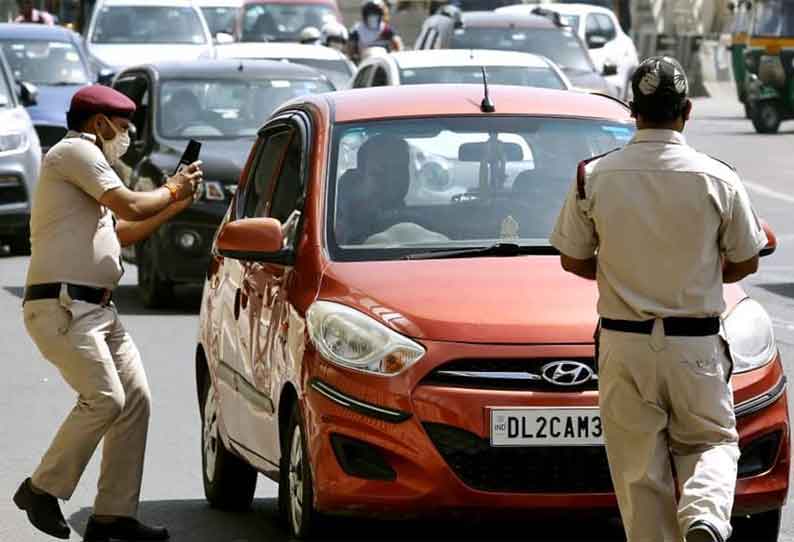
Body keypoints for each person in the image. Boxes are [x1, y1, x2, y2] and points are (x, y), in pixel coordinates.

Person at [550, 56, 768, 542]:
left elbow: (572, 258)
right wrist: (703, 271)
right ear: (686, 110)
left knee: (638, 474)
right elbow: (748, 259)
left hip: (624, 346)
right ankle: (706, 515)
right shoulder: (718, 178)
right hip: (695, 345)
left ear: (634, 110)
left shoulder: (595, 176)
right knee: (712, 441)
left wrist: (621, 272)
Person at [12, 85, 203, 541]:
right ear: (98, 124)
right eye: (122, 128)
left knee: (135, 400)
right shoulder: (76, 152)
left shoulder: (88, 171)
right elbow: (132, 203)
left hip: (96, 309)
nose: (127, 137)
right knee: (105, 399)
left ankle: (112, 516)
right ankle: (40, 489)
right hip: (62, 305)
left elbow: (122, 231)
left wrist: (173, 205)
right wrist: (172, 187)